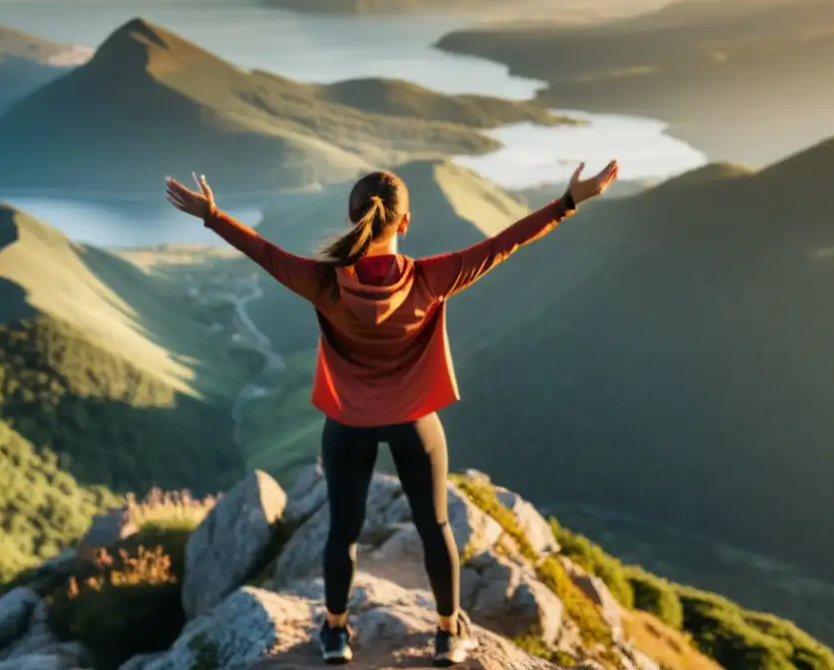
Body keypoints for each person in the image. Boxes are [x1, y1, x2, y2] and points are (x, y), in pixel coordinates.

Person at [165, 160, 618, 666]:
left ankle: (336, 632)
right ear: (405, 223)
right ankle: (448, 633)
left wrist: (213, 215)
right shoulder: (433, 277)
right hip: (413, 422)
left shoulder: (325, 282)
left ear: (352, 218)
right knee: (435, 527)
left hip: (348, 425)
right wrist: (568, 201)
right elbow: (505, 242)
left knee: (343, 531)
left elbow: (265, 254)